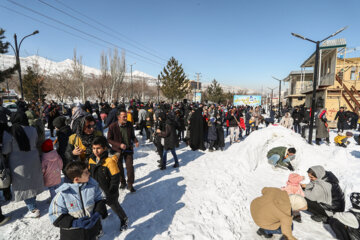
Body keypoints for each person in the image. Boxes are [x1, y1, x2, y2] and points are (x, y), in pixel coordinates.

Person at [48, 161, 108, 240]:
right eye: (86, 172)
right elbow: (55, 215)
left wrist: (97, 212)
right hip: (72, 234)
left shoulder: (92, 186)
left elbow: (101, 198)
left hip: (91, 230)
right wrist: (74, 223)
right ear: (76, 179)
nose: (89, 173)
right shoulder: (63, 194)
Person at [2, 111, 44, 218]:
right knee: (32, 182)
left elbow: (6, 150)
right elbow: (35, 143)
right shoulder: (33, 130)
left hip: (18, 164)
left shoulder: (9, 132)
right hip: (33, 160)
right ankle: (33, 204)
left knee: (24, 186)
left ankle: (33, 209)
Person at [88, 136, 128, 232]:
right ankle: (103, 217)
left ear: (104, 148)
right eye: (93, 148)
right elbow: (90, 173)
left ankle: (124, 219)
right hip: (96, 190)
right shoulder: (91, 160)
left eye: (98, 148)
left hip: (109, 191)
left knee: (114, 206)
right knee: (97, 207)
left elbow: (115, 178)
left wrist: (112, 191)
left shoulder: (109, 161)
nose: (95, 151)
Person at [107, 110, 139, 193]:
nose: (126, 118)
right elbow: (109, 139)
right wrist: (119, 145)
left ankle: (130, 184)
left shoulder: (129, 124)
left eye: (126, 116)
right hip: (117, 150)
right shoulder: (112, 126)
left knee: (130, 167)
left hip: (128, 149)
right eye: (124, 116)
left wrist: (135, 141)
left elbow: (132, 136)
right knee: (119, 167)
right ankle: (123, 182)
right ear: (119, 117)